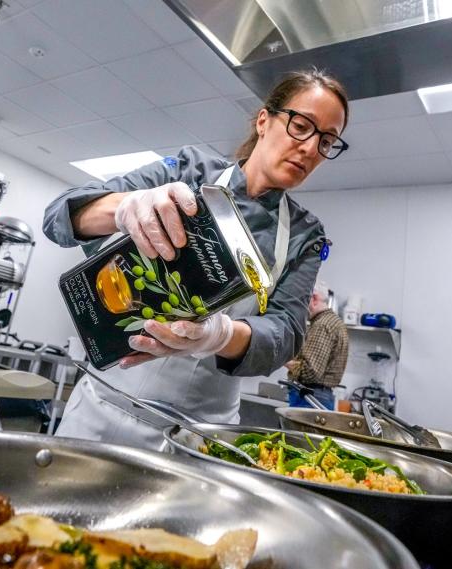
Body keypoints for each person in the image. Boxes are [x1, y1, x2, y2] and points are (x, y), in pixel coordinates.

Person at [42, 69, 350, 450]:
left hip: (198, 437)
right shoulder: (188, 170)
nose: (310, 148)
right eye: (302, 125)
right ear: (264, 120)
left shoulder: (305, 234)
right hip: (99, 413)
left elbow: (285, 335)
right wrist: (124, 208)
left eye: (327, 141)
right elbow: (58, 217)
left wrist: (217, 336)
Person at [283, 278, 348, 409]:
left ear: (313, 298)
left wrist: (282, 358)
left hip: (310, 397)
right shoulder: (333, 322)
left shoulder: (322, 325)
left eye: (302, 300)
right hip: (319, 396)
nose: (300, 306)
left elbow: (309, 372)